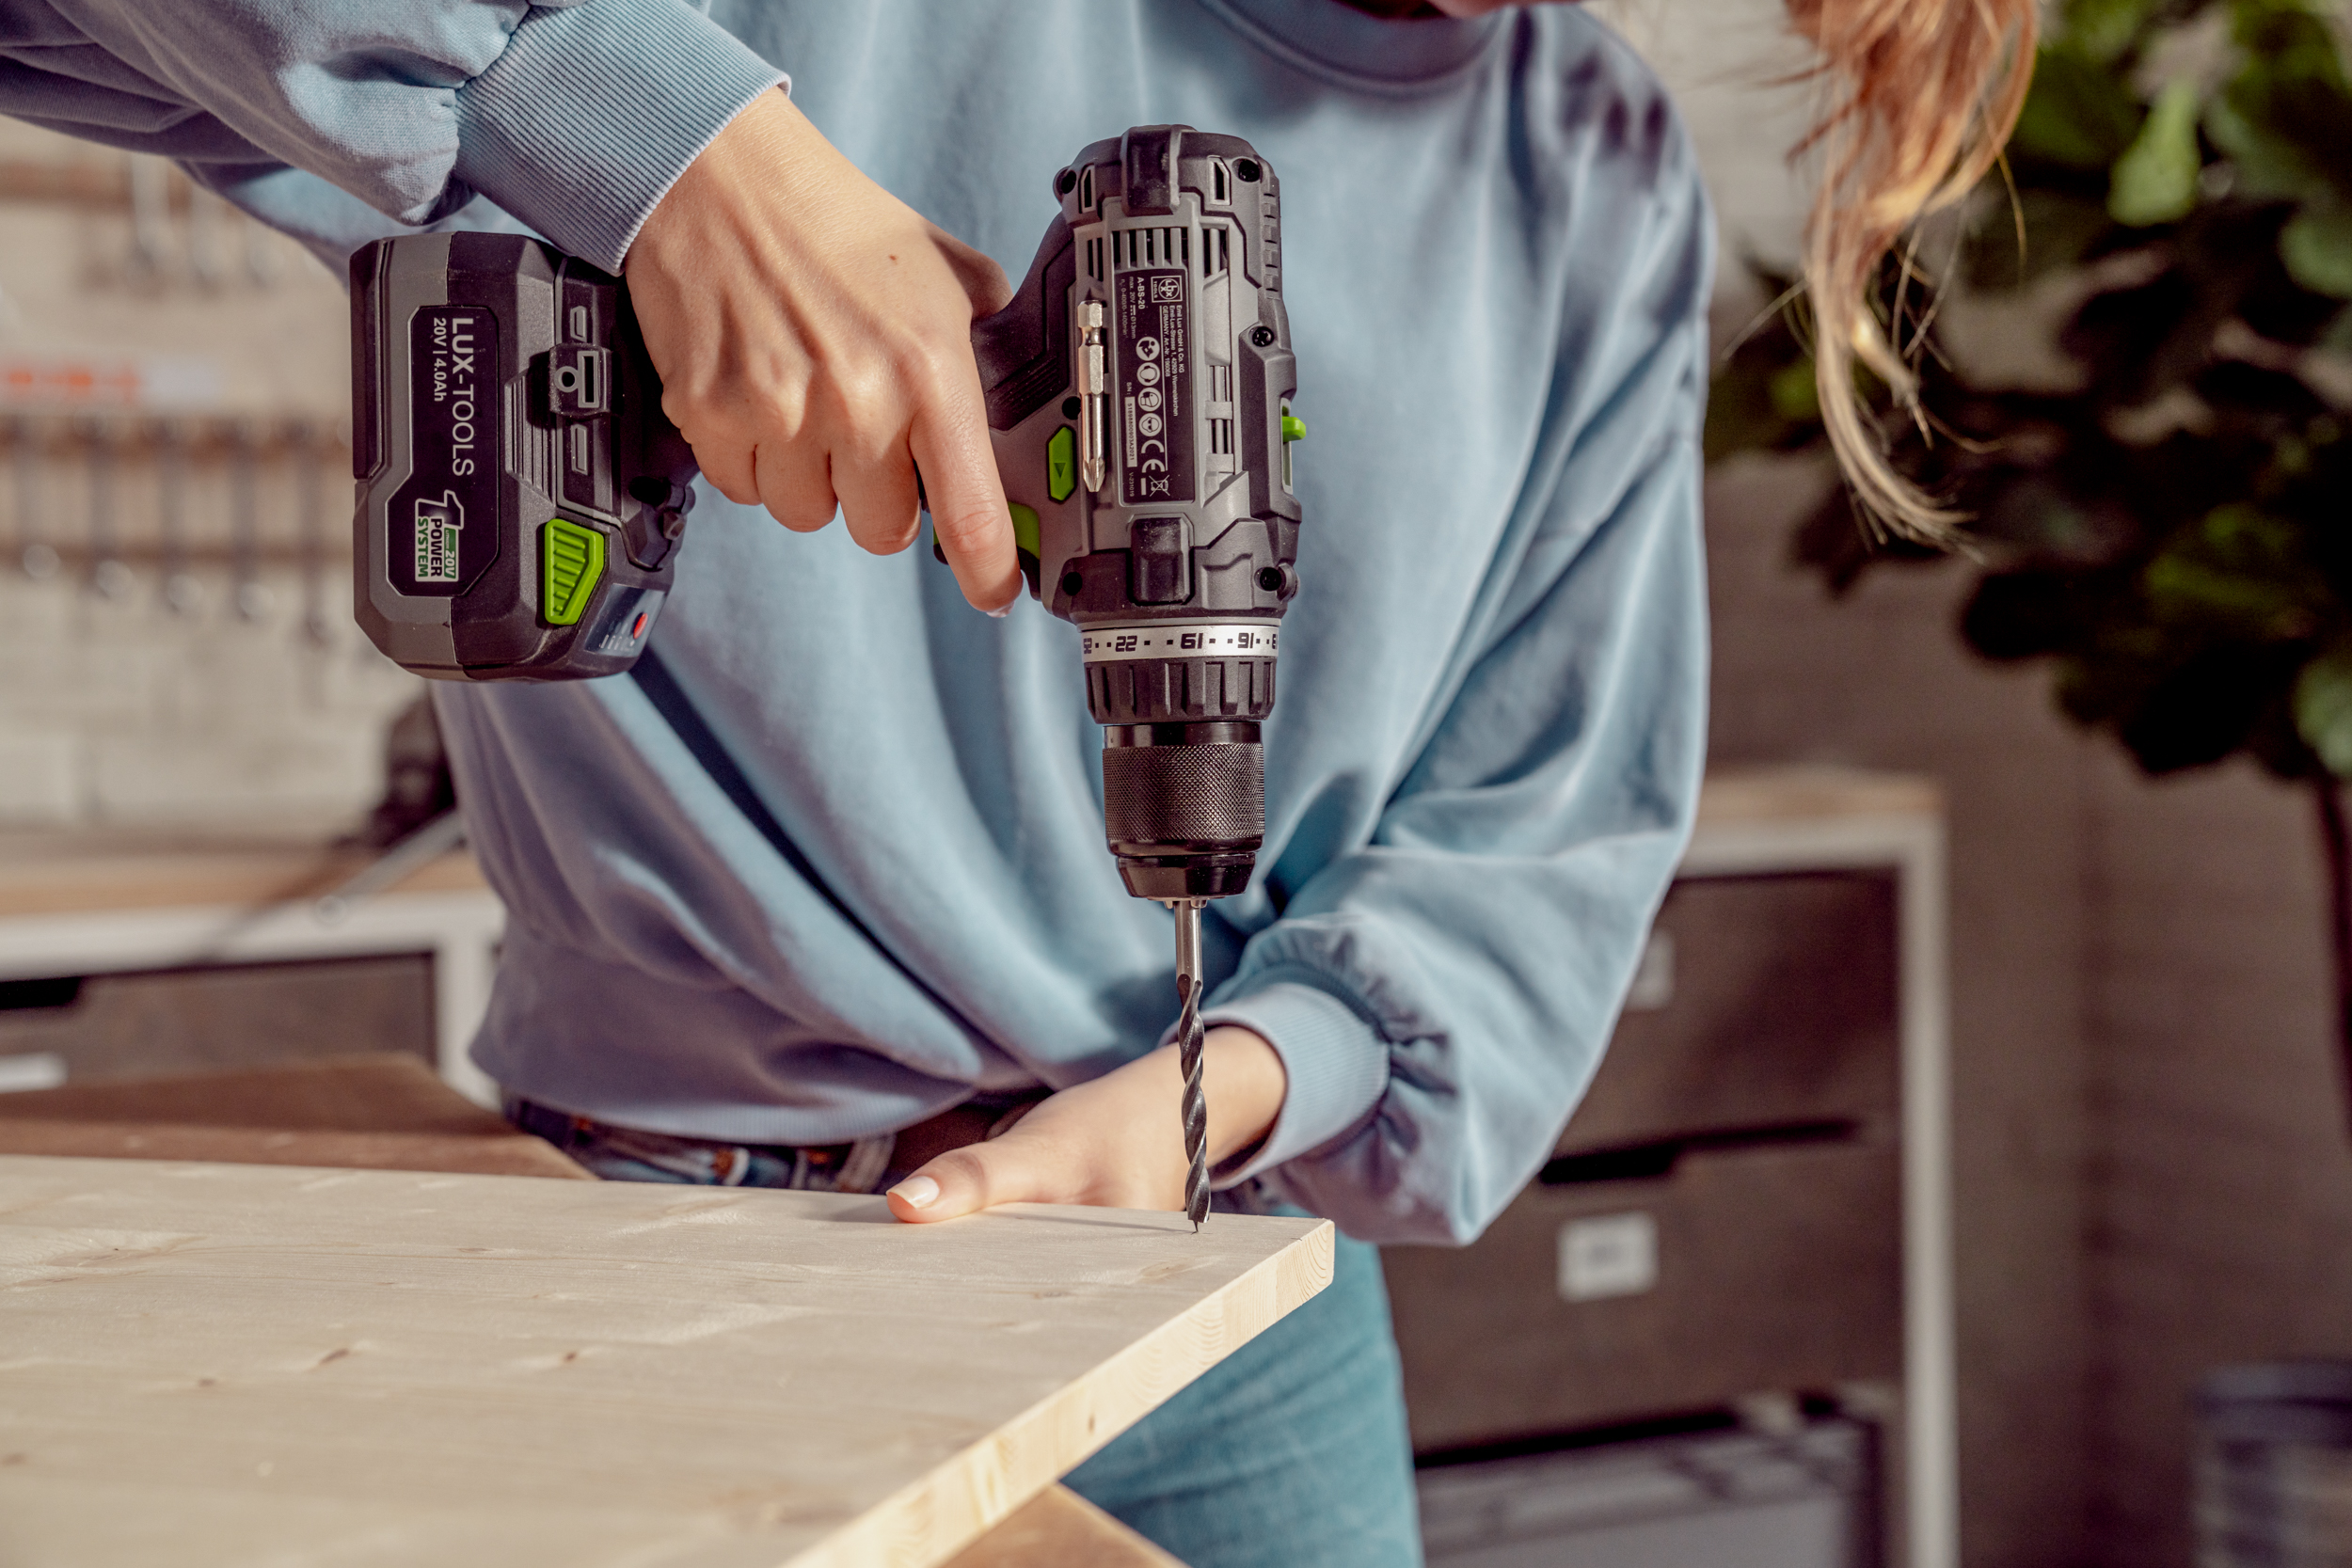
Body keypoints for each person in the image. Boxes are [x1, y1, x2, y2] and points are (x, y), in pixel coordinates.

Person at [0, 2, 2030, 1562]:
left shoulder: (1591, 162)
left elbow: (1537, 830)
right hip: (647, 1236)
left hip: (1205, 1275)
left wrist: (1234, 1084)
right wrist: (654, 134)